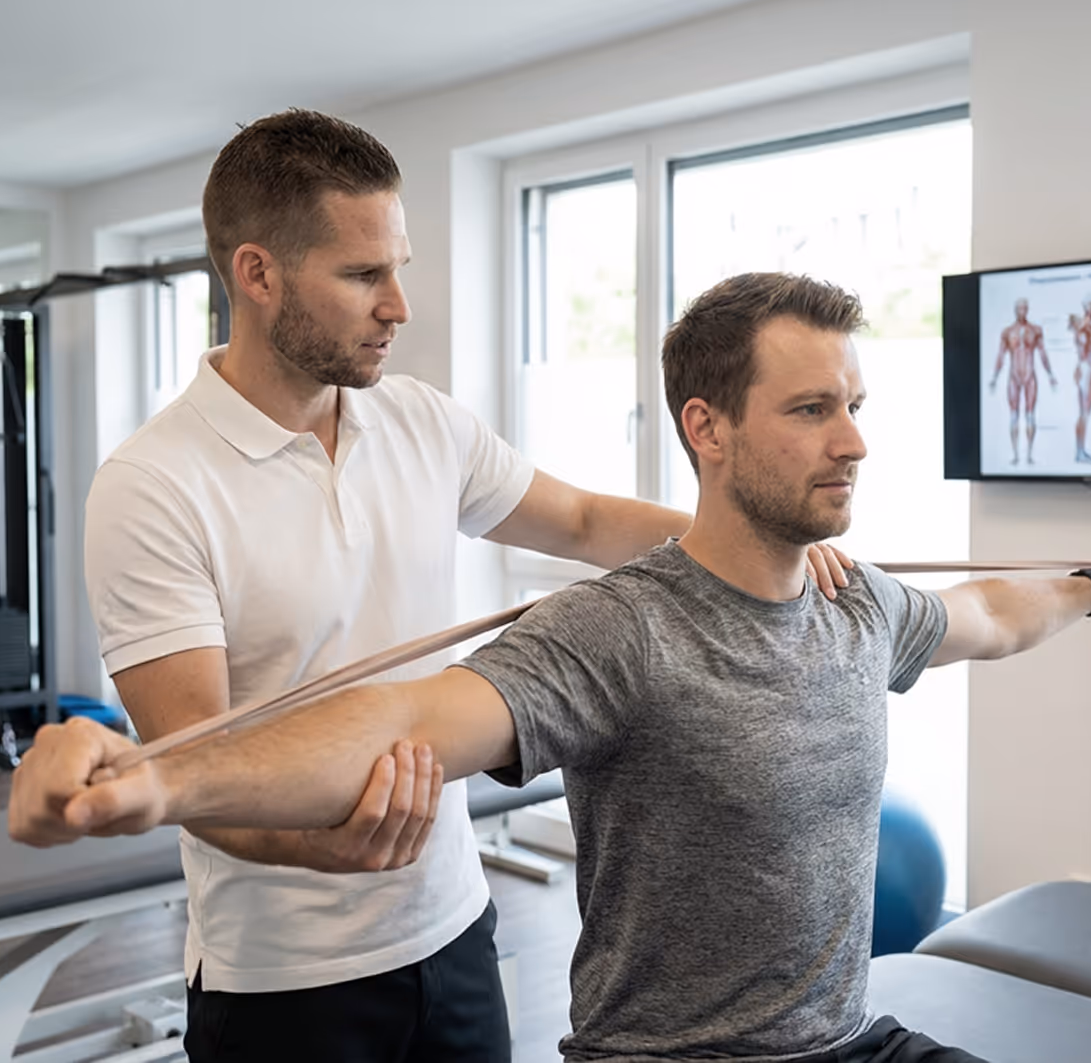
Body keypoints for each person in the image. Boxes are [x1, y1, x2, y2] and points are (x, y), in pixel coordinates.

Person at [16, 272, 1091, 1062]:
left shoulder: (854, 600)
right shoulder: (621, 631)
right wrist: (158, 781)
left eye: (853, 404)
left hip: (848, 1040)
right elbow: (411, 715)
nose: (854, 440)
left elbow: (988, 611)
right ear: (708, 429)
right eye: (810, 409)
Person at [84, 111, 851, 1063]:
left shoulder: (419, 422)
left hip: (452, 932)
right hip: (283, 978)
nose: (398, 304)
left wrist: (753, 537)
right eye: (364, 275)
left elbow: (578, 521)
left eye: (397, 267)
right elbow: (192, 768)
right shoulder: (152, 485)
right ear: (258, 274)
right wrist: (328, 845)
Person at [988, 297, 1057, 466]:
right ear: (1015, 310)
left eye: (1025, 308)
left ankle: (1030, 455)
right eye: (1019, 308)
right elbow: (1001, 355)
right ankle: (1015, 455)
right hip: (1014, 375)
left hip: (1029, 375)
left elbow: (1042, 353)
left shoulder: (1035, 330)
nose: (1022, 311)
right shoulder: (1007, 332)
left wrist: (1050, 374)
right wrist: (995, 377)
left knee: (1030, 415)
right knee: (1013, 415)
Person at [1067, 293, 1091, 464]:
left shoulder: (1086, 326)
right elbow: (1083, 351)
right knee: (1084, 414)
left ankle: (1081, 451)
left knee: (1085, 413)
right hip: (1086, 371)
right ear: (1088, 307)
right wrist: (1082, 369)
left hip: (1087, 372)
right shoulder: (1085, 326)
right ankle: (1079, 452)